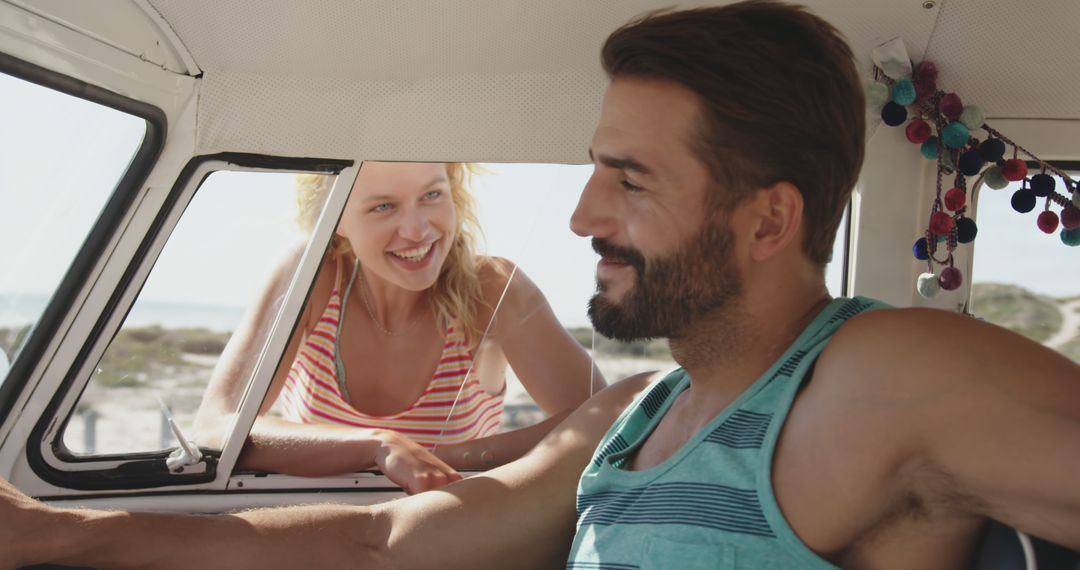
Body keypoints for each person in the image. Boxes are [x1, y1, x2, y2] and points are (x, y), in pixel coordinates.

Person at [2, 2, 1079, 568]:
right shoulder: (631, 414)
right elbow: (381, 543)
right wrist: (67, 535)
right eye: (592, 172)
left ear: (768, 219)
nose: (583, 217)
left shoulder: (878, 376)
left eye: (630, 179)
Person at [191, 161, 603, 494]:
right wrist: (378, 447)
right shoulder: (314, 275)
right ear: (333, 217)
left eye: (431, 195)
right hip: (318, 534)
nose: (417, 230)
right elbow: (216, 426)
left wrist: (444, 458)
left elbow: (610, 419)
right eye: (383, 207)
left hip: (445, 535)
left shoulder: (491, 290)